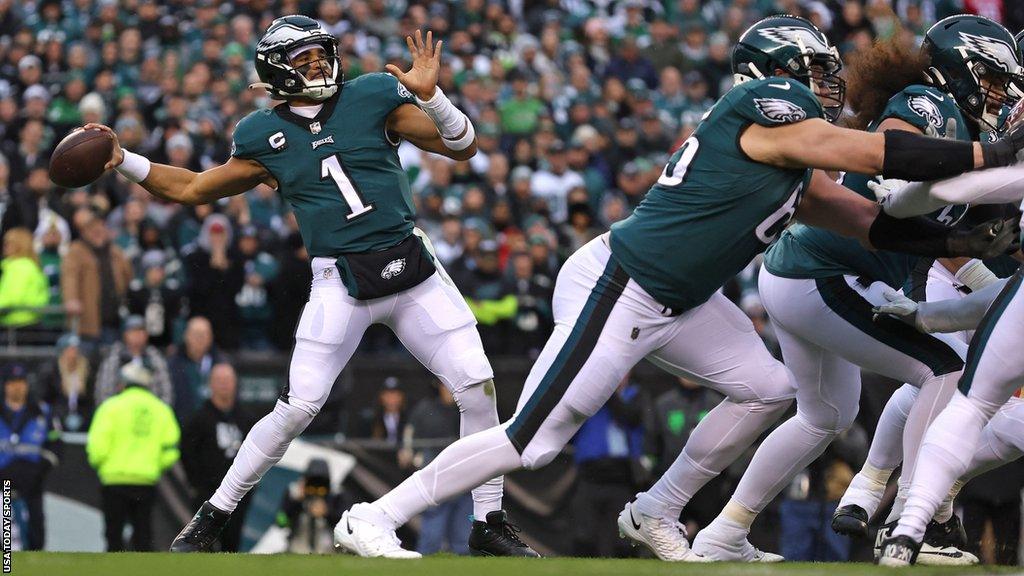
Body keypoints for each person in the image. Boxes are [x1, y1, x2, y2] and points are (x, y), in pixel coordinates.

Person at [335, 14, 1023, 561]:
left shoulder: (787, 156)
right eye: (814, 70)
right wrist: (987, 157)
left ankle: (656, 510)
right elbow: (873, 153)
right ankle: (375, 514)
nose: (829, 82)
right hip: (624, 282)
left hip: (684, 299)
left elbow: (865, 223)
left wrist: (954, 243)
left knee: (771, 390)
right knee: (534, 441)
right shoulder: (764, 104)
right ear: (775, 75)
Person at [90, 17, 531, 557]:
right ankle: (211, 519)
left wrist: (434, 97)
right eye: (305, 59)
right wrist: (125, 161)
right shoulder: (261, 134)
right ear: (277, 70)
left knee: (478, 384)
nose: (320, 65)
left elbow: (462, 147)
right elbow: (193, 188)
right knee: (298, 407)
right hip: (339, 279)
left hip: (410, 265)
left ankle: (488, 521)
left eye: (323, 54)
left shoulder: (371, 94)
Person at [692, 16, 1024, 564]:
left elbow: (987, 232)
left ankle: (724, 531)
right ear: (961, 69)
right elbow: (898, 150)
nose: (999, 91)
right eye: (991, 76)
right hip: (825, 272)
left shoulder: (969, 130)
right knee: (944, 369)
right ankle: (924, 519)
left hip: (810, 270)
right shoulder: (929, 101)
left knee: (823, 416)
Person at [87, 363, 180, 552]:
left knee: (113, 538)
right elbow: (172, 449)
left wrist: (103, 465)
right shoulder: (161, 409)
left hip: (114, 480)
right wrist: (155, 465)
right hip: (145, 481)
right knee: (143, 537)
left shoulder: (110, 407)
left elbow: (96, 446)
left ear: (123, 383)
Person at [180, 363, 256, 552]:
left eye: (228, 380)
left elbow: (257, 455)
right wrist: (196, 484)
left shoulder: (246, 419)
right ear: (210, 384)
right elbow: (187, 452)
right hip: (207, 494)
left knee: (232, 546)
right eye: (219, 380)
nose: (224, 385)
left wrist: (250, 486)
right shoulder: (198, 419)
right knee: (204, 548)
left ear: (236, 383)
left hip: (238, 494)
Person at [570, 375, 647, 558]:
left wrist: (608, 391)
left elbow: (631, 417)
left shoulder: (636, 396)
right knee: (584, 536)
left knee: (624, 541)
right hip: (590, 474)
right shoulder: (587, 399)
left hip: (622, 476)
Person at [401, 382, 473, 555]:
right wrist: (409, 452)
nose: (449, 390)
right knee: (431, 539)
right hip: (436, 480)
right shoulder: (425, 409)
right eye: (445, 386)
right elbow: (409, 439)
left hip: (466, 480)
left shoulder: (470, 411)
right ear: (439, 387)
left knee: (463, 541)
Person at [0, 363, 61, 551]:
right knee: (6, 537)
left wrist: (39, 470)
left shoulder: (42, 412)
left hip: (32, 482)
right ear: (4, 385)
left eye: (21, 382)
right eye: (12, 382)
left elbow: (56, 445)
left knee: (34, 533)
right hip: (3, 483)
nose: (17, 387)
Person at [60, 213, 132, 347]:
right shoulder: (76, 251)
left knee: (111, 359)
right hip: (87, 319)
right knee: (87, 358)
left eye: (101, 230)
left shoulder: (115, 252)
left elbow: (128, 275)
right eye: (93, 231)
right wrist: (71, 299)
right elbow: (70, 277)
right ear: (85, 232)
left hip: (113, 318)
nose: (98, 234)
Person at [94, 315, 173, 406]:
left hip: (148, 412)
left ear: (146, 334)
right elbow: (103, 391)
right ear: (125, 334)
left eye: (140, 331)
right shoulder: (114, 357)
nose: (137, 335)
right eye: (133, 331)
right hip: (120, 412)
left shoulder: (154, 357)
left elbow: (165, 391)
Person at [168, 316, 225, 420]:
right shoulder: (172, 366)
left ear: (211, 337)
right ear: (186, 336)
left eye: (204, 334)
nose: (200, 339)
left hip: (214, 424)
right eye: (196, 334)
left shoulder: (222, 365)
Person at [39, 333, 92, 432]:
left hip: (83, 417)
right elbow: (47, 398)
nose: (73, 354)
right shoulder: (52, 370)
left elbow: (90, 399)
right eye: (70, 349)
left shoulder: (87, 371)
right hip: (59, 416)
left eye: (76, 350)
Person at [0, 227, 48, 328]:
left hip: (19, 324)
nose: (4, 246)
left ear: (19, 245)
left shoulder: (20, 266)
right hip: (28, 322)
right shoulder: (29, 265)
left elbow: (12, 297)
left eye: (8, 243)